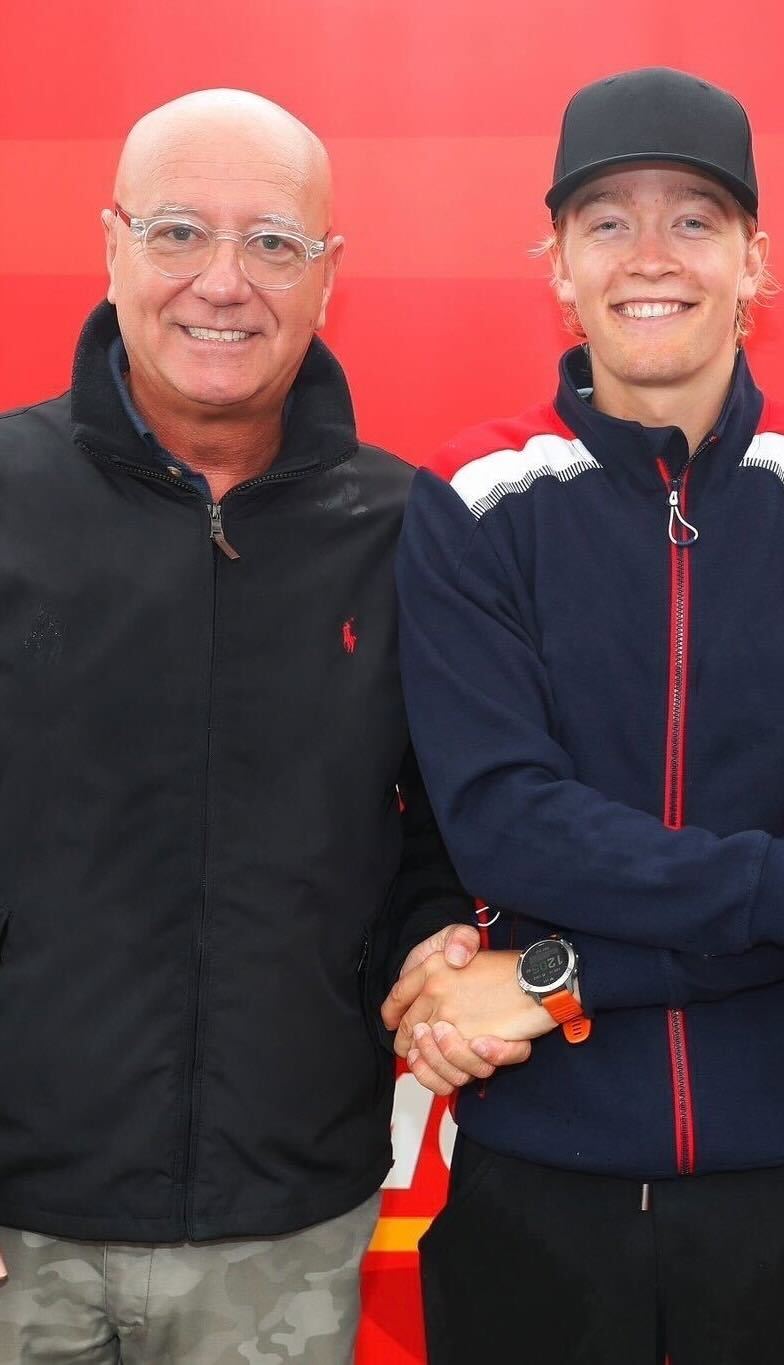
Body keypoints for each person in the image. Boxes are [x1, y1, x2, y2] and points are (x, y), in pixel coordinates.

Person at [383, 66, 784, 1365]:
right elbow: (508, 827)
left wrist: (548, 983)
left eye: (694, 219)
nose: (649, 255)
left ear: (754, 260)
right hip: (533, 1186)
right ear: (556, 263)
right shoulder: (468, 500)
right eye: (607, 220)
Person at [0, 89, 475, 1363]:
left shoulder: (412, 532)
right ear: (111, 246)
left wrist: (435, 954)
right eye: (177, 233)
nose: (223, 282)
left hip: (287, 1229)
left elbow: (446, 840)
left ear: (328, 273)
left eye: (272, 242)